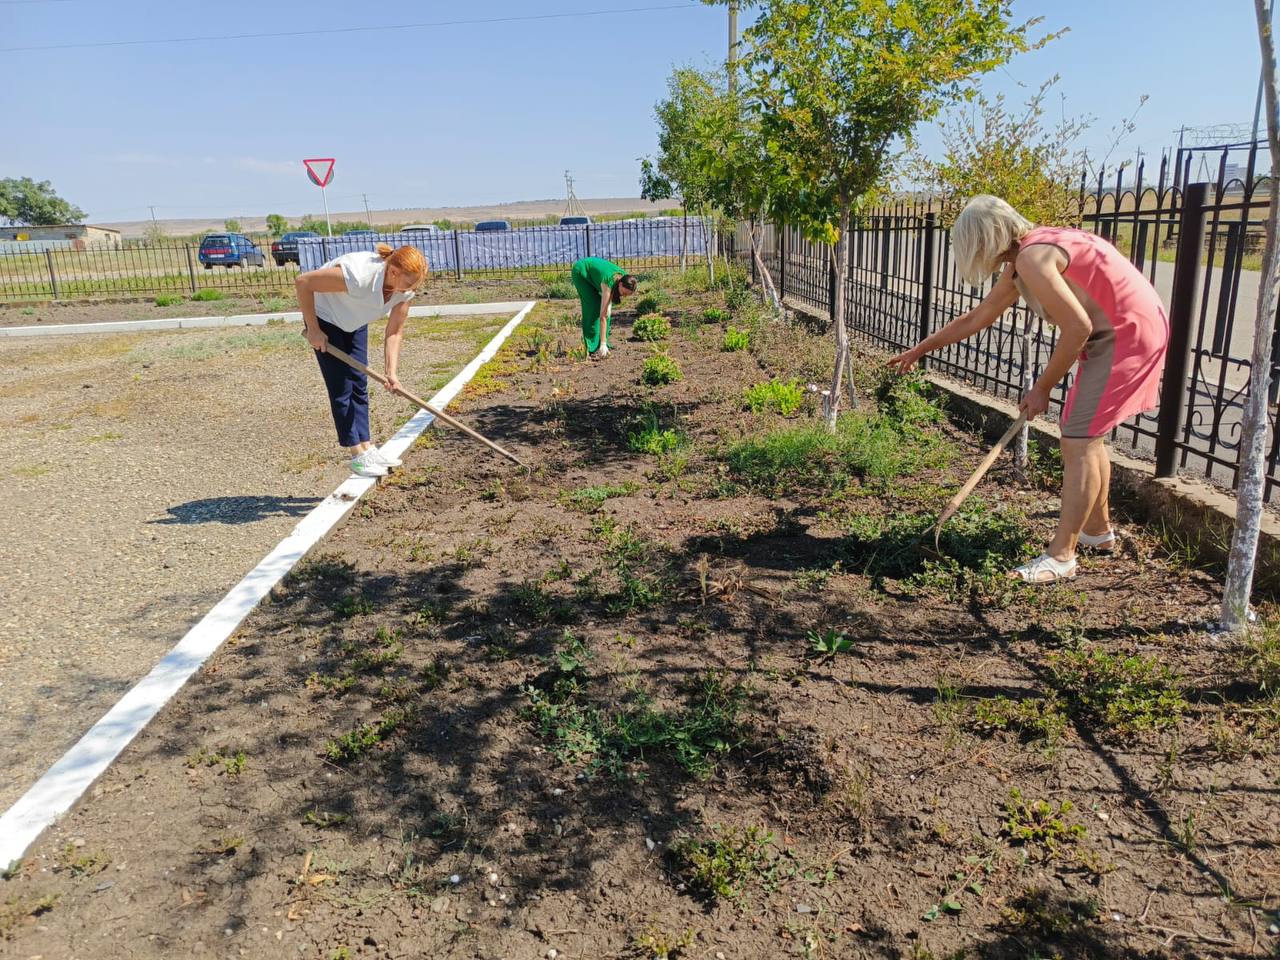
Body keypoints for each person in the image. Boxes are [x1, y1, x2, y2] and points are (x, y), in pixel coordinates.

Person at [888, 195, 1169, 584]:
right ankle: (1098, 533)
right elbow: (978, 317)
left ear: (985, 238)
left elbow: (1078, 327)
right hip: (1129, 330)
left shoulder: (1032, 258)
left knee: (1078, 439)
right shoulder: (1026, 257)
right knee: (1087, 437)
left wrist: (1041, 389)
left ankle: (1062, 555)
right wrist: (920, 350)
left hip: (1125, 336)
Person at [295, 243, 428, 478]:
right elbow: (303, 282)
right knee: (342, 387)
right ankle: (357, 455)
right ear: (394, 272)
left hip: (353, 320)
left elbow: (394, 332)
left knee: (359, 383)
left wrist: (391, 373)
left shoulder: (404, 291)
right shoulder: (358, 275)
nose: (411, 289)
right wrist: (314, 329)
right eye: (409, 283)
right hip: (325, 317)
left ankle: (367, 447)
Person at [569, 256, 638, 358]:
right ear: (620, 284)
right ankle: (591, 346)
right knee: (592, 307)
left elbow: (607, 313)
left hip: (594, 274)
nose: (624, 296)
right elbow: (603, 316)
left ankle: (602, 341)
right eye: (624, 293)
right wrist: (603, 345)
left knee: (605, 310)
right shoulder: (609, 282)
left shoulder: (625, 278)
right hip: (581, 271)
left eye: (627, 295)